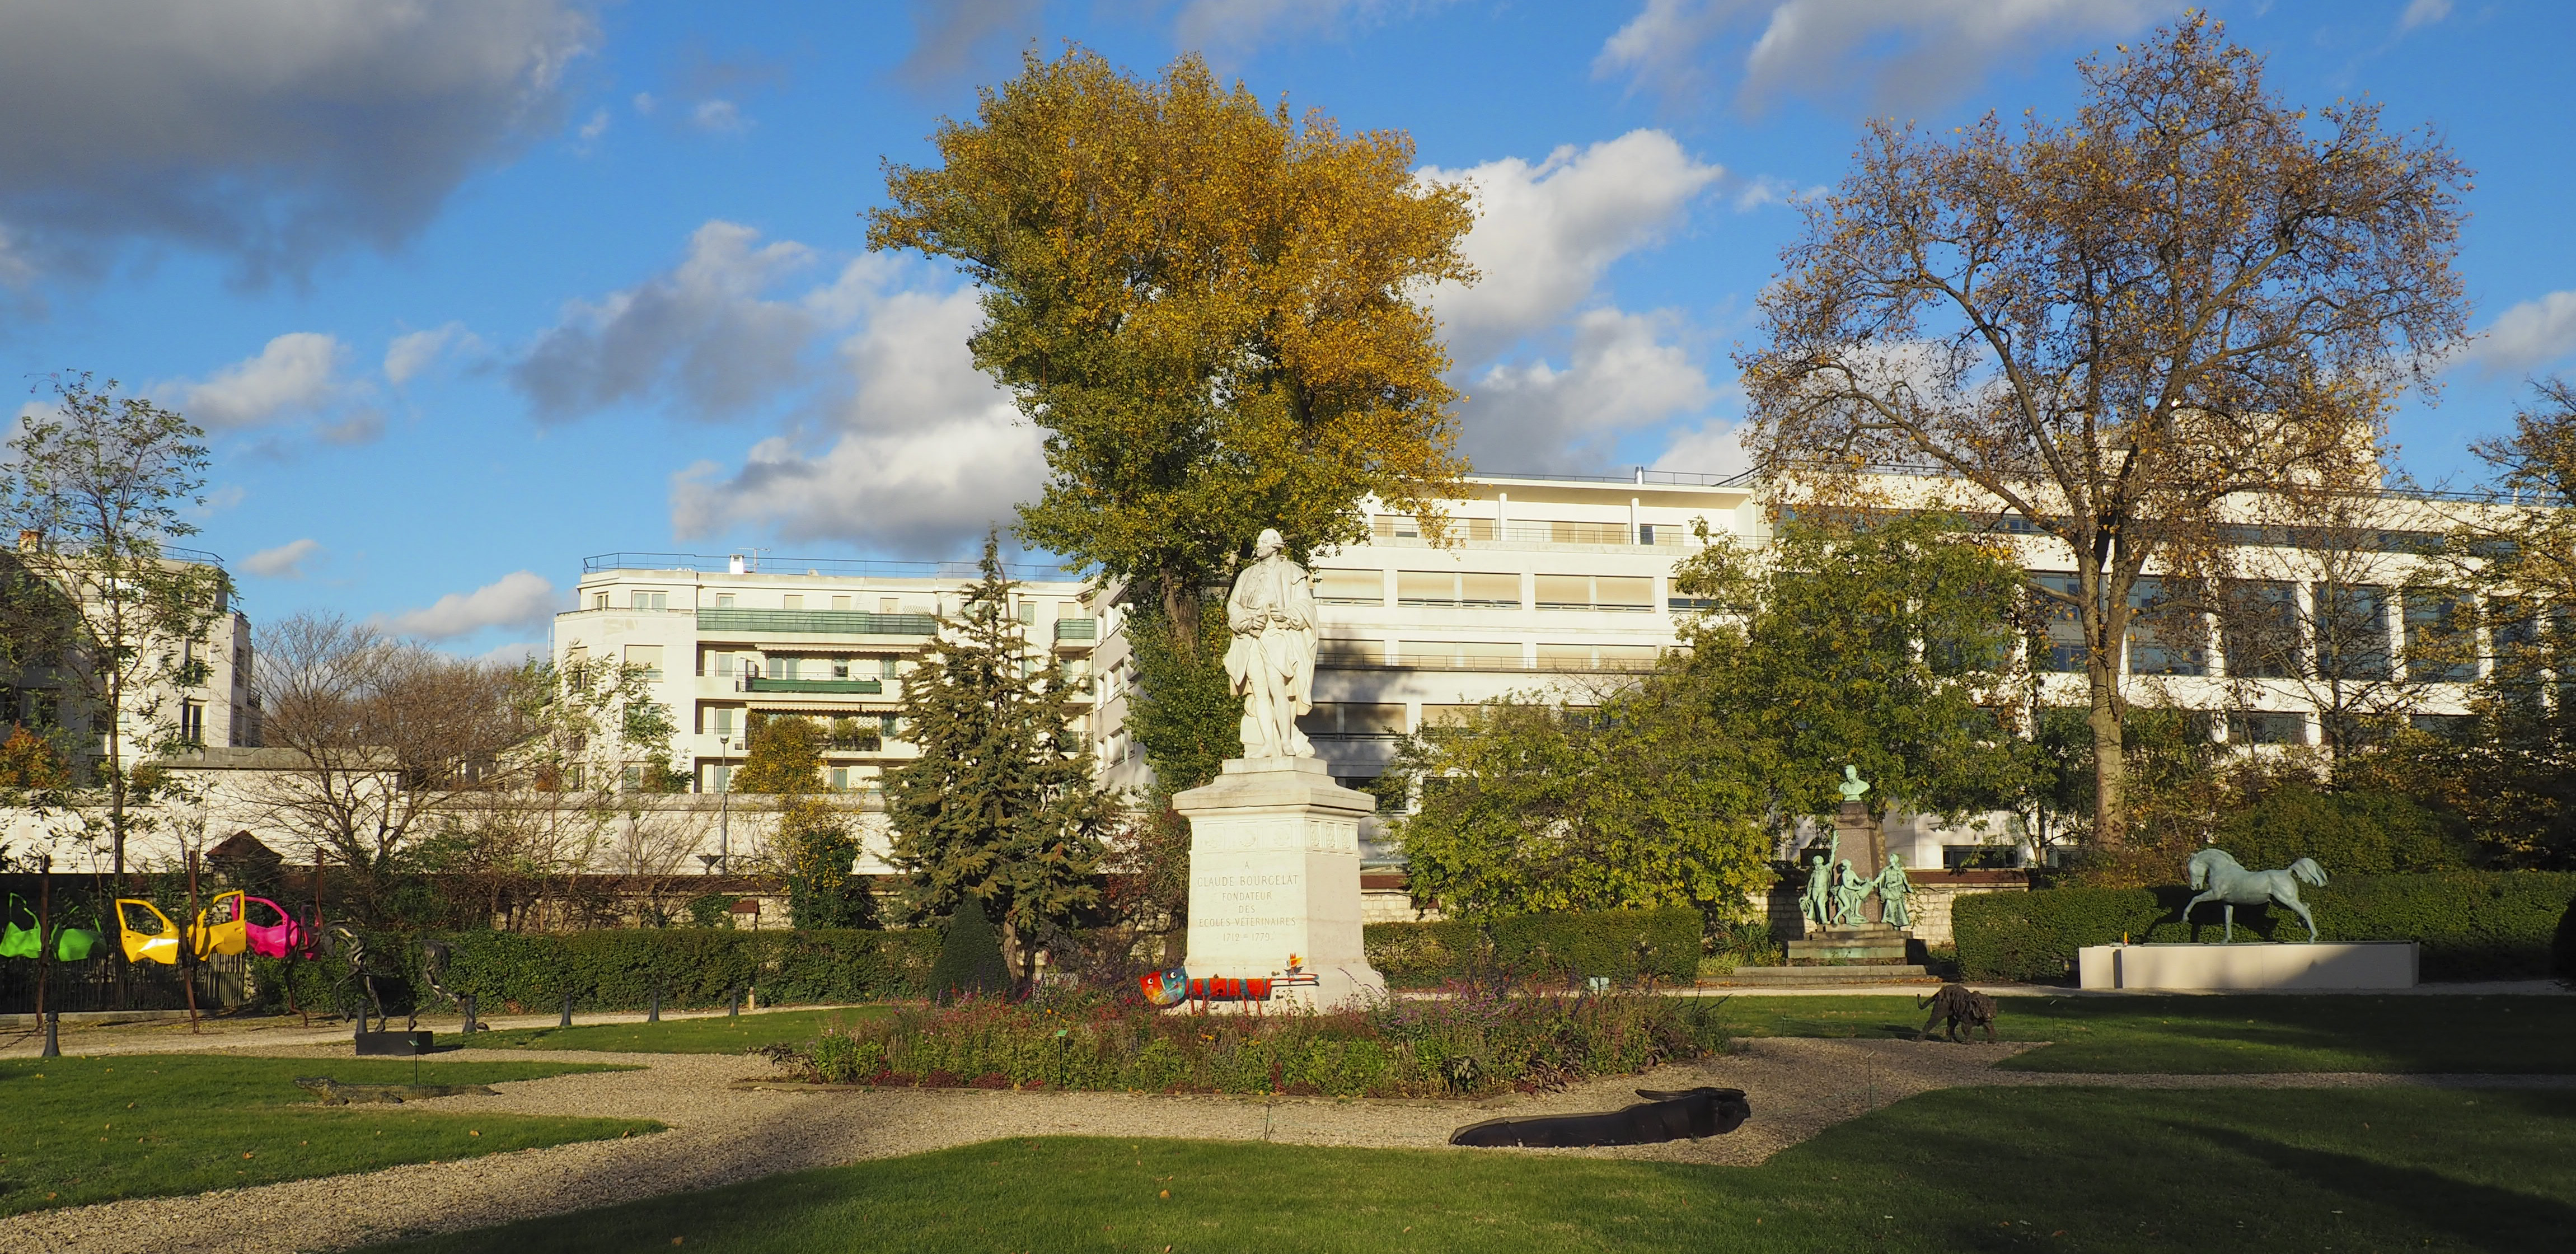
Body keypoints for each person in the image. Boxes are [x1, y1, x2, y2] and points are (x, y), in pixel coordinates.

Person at [1224, 528, 1318, 759]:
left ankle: (1286, 742)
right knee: (1259, 694)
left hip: (1276, 637)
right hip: (1250, 639)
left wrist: (1286, 615)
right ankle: (1268, 744)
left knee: (1279, 692)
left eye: (1263, 542)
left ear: (1276, 545)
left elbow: (1306, 605)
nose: (1259, 546)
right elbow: (1233, 604)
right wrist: (1245, 620)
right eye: (1258, 542)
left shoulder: (1293, 572)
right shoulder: (1246, 574)